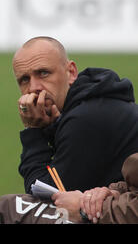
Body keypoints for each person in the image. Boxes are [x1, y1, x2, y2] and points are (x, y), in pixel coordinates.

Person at [13, 36, 138, 194]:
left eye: (43, 73)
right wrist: (51, 128)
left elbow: (45, 196)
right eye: (24, 79)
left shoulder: (85, 118)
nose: (33, 87)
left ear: (71, 72)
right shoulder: (95, 104)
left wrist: (33, 131)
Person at [0, 153, 138, 224]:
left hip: (107, 215)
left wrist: (86, 208)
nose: (33, 89)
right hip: (116, 206)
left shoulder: (86, 121)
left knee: (6, 210)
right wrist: (115, 191)